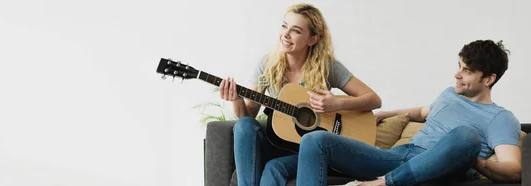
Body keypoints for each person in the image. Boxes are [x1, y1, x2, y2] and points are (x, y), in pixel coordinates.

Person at [296, 39, 521, 186]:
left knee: (467, 135)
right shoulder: (449, 94)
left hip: (437, 171)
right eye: (459, 66)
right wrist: (387, 114)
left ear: (489, 79)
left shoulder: (500, 118)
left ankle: (381, 184)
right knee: (315, 140)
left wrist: (474, 160)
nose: (457, 74)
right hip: (402, 156)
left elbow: (513, 170)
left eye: (467, 71)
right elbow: (423, 112)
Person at [218, 3, 382, 186]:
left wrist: (337, 104)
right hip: (281, 143)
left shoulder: (326, 67)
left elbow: (374, 99)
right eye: (284, 26)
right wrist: (236, 100)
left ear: (312, 39)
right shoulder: (267, 65)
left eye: (295, 30)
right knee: (243, 125)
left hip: (313, 150)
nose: (285, 34)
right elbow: (248, 115)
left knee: (274, 167)